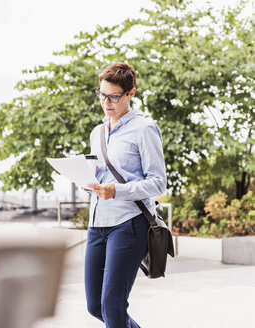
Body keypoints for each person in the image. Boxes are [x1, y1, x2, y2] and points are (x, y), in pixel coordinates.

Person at [84, 62, 167, 327]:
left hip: (129, 224)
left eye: (114, 96)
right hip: (97, 224)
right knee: (95, 306)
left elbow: (158, 183)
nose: (106, 102)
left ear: (131, 93)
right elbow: (101, 175)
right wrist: (86, 179)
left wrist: (116, 191)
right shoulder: (97, 132)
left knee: (113, 307)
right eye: (102, 94)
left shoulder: (144, 129)